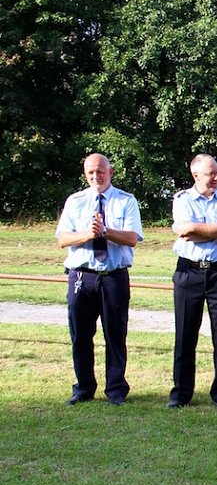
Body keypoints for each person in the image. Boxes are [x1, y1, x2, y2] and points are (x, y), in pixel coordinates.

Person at [56, 153, 143, 406]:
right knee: (81, 335)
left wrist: (106, 232)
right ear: (85, 174)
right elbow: (63, 239)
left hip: (114, 276)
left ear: (111, 172)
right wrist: (88, 234)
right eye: (91, 173)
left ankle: (115, 389)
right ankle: (83, 387)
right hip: (82, 277)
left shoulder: (126, 201)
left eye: (101, 172)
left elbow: (132, 238)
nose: (96, 176)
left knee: (116, 334)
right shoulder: (76, 201)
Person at [168, 154, 217, 412]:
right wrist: (212, 229)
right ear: (196, 175)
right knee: (185, 334)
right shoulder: (182, 199)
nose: (216, 177)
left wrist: (196, 230)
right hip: (189, 272)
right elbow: (182, 231)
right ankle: (181, 392)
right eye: (211, 173)